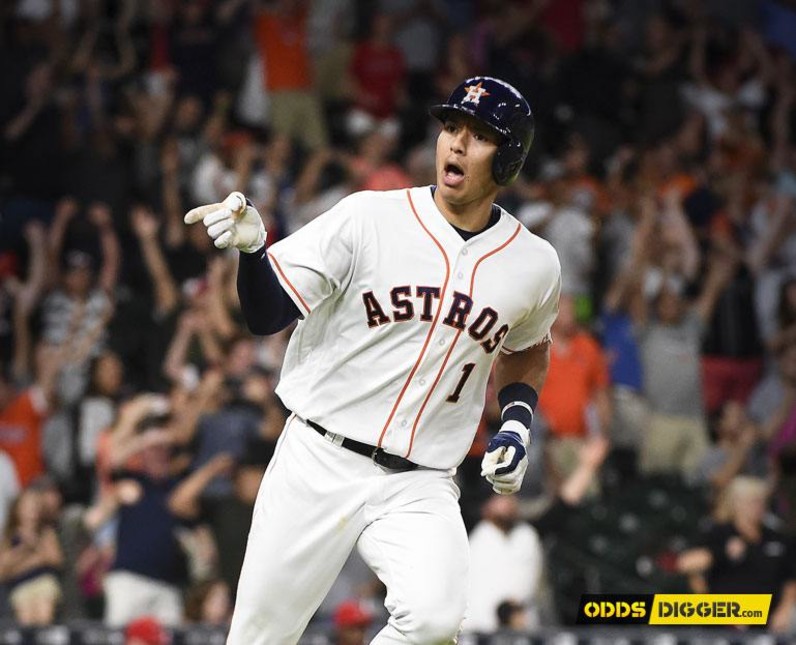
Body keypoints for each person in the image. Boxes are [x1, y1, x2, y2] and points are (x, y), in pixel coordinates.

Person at [185, 76, 561, 644]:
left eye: (479, 134)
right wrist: (254, 251)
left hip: (421, 481)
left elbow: (528, 345)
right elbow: (265, 316)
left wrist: (516, 422)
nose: (456, 144)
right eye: (451, 127)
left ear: (507, 159)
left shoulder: (534, 264)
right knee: (258, 638)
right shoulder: (368, 218)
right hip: (318, 456)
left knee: (435, 623)